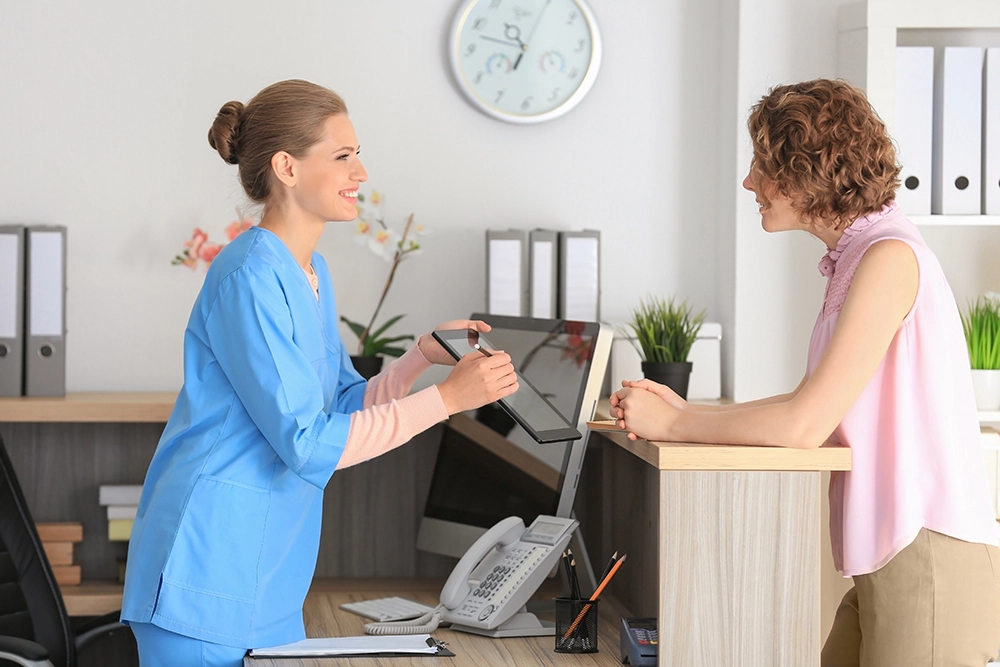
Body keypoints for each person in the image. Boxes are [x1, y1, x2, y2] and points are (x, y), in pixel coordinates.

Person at [120, 79, 519, 667]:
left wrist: (419, 360)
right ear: (286, 166)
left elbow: (340, 407)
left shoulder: (311, 272)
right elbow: (308, 444)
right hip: (206, 570)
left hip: (266, 579)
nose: (360, 172)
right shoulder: (249, 277)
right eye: (343, 155)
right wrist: (447, 402)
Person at [610, 79, 1000, 666]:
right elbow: (812, 401)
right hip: (891, 557)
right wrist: (684, 413)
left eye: (762, 166)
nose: (750, 184)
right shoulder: (860, 257)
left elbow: (804, 423)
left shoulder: (890, 257)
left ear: (805, 172)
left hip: (927, 555)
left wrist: (678, 422)